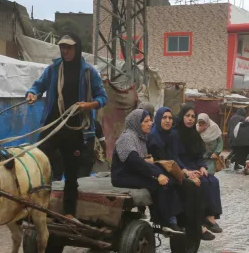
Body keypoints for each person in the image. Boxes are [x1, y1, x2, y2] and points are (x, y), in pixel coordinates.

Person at [26, 32, 108, 218]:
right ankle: (35, 207)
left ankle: (69, 213)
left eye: (68, 47)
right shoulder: (53, 69)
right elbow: (38, 86)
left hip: (75, 130)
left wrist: (88, 105)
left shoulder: (89, 72)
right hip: (52, 126)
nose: (65, 50)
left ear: (77, 48)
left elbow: (103, 98)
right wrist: (32, 93)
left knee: (71, 175)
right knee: (38, 165)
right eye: (62, 47)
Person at [111, 109, 183, 234]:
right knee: (156, 184)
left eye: (150, 120)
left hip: (133, 173)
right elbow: (134, 160)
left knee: (168, 181)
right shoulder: (127, 137)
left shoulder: (140, 137)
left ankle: (171, 220)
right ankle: (164, 222)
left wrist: (156, 170)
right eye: (146, 121)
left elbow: (142, 161)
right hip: (122, 176)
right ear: (136, 123)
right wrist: (157, 175)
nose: (150, 123)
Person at [147, 107, 212, 241]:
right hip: (156, 171)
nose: (167, 121)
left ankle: (195, 224)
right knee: (177, 185)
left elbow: (175, 158)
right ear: (158, 119)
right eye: (164, 118)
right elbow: (150, 160)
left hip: (171, 170)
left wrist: (185, 172)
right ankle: (174, 221)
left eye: (170, 118)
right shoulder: (153, 136)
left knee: (193, 185)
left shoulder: (172, 135)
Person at [177, 104, 223, 234]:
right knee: (200, 183)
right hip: (182, 166)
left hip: (195, 166)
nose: (190, 119)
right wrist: (186, 170)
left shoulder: (194, 134)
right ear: (182, 116)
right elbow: (174, 156)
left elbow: (198, 155)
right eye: (187, 116)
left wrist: (202, 166)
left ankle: (210, 217)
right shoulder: (176, 133)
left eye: (193, 116)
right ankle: (200, 220)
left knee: (212, 180)